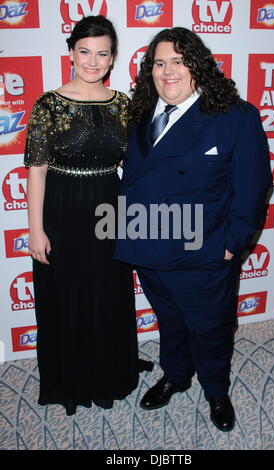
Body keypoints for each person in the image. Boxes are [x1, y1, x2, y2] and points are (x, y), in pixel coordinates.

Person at [115, 27, 272, 432]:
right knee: (170, 319)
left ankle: (216, 390)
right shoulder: (140, 112)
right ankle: (176, 376)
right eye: (160, 63)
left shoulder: (236, 117)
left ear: (198, 66)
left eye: (179, 61)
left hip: (203, 252)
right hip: (145, 247)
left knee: (210, 326)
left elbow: (253, 188)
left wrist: (230, 246)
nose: (169, 71)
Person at [24, 15, 152, 416]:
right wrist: (35, 229)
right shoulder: (48, 104)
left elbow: (138, 164)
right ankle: (72, 379)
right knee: (66, 295)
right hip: (62, 208)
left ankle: (110, 373)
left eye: (102, 53)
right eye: (85, 52)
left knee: (107, 292)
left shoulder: (123, 104)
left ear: (112, 59)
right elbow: (37, 172)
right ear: (70, 54)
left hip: (108, 205)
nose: (93, 62)